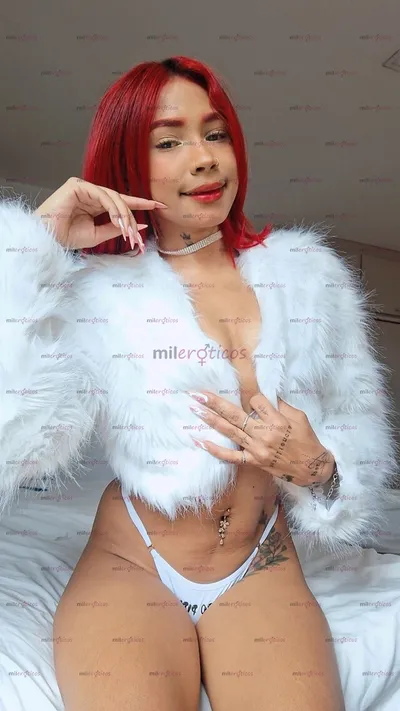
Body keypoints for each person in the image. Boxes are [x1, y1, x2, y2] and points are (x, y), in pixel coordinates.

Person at [0, 55, 397, 711]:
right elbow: (16, 440)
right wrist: (34, 249)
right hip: (134, 561)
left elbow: (357, 429)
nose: (205, 158)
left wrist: (320, 469)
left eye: (215, 134)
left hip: (261, 560)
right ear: (129, 162)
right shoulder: (99, 294)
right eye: (168, 142)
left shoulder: (310, 278)